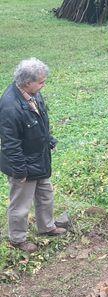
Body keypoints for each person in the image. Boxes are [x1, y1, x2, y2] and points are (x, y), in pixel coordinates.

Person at [0, 58, 66, 253]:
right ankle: (17, 239)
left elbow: (41, 121)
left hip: (39, 158)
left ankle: (47, 227)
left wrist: (49, 139)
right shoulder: (10, 106)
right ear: (27, 82)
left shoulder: (33, 94)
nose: (43, 85)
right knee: (21, 203)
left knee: (46, 194)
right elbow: (10, 143)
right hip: (23, 164)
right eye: (41, 82)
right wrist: (20, 171)